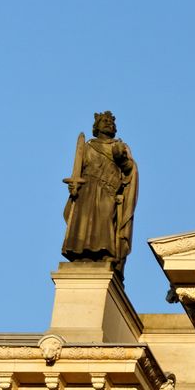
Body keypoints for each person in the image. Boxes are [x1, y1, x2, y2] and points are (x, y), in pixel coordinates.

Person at [60, 110, 140, 270]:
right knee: (84, 220)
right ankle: (80, 253)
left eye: (112, 122)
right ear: (96, 127)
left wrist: (121, 158)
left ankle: (106, 252)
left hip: (107, 190)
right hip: (86, 189)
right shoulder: (88, 146)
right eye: (105, 121)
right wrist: (73, 186)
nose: (109, 124)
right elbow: (78, 171)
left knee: (105, 218)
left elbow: (129, 169)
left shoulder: (120, 147)